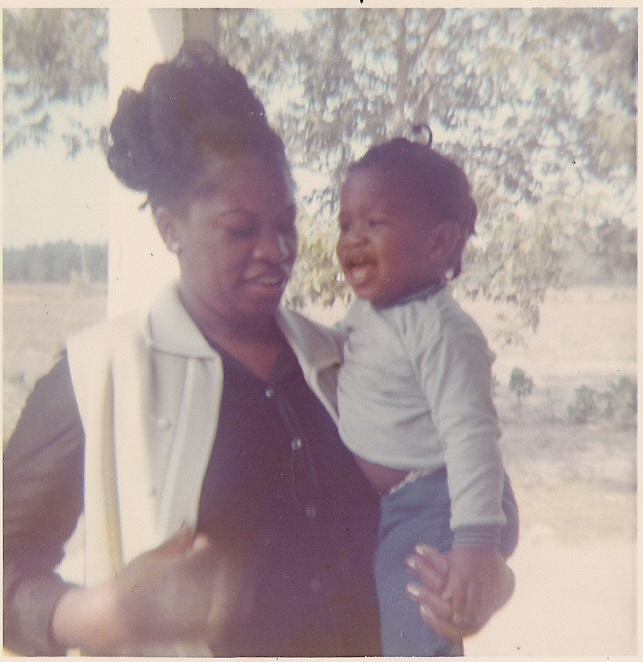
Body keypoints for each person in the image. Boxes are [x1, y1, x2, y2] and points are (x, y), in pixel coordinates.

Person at [2, 43, 509, 657]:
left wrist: (484, 583)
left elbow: (460, 486)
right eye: (240, 229)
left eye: (286, 224)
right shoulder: (102, 374)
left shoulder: (339, 357)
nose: (276, 250)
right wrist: (100, 615)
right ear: (169, 227)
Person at [335, 133, 520, 656]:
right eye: (345, 225)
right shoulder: (371, 313)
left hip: (442, 504)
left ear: (439, 244)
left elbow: (472, 435)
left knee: (419, 617)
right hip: (408, 506)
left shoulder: (442, 330)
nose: (352, 240)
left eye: (374, 224)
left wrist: (475, 543)